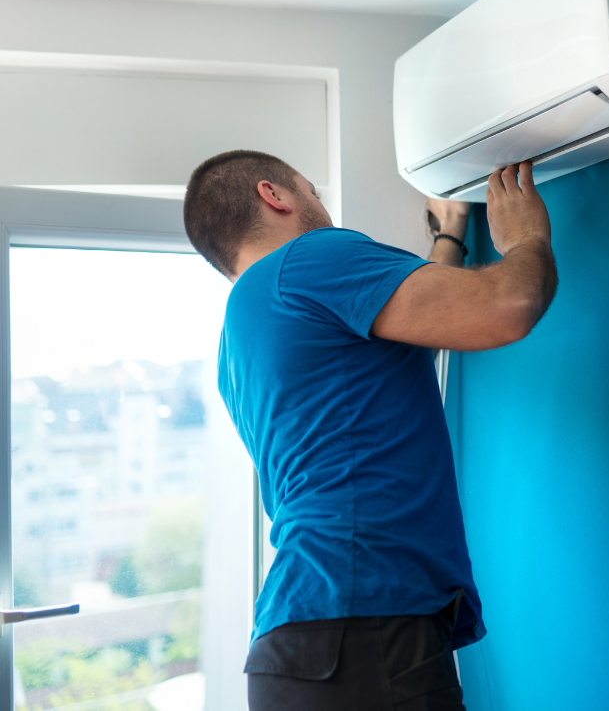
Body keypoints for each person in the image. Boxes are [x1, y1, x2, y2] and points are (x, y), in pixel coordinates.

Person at [182, 150, 557, 711]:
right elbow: (511, 304)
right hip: (361, 624)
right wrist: (526, 237)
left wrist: (449, 238)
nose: (321, 205)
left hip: (298, 648)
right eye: (311, 189)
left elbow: (417, 327)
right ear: (274, 195)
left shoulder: (239, 340)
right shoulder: (309, 259)